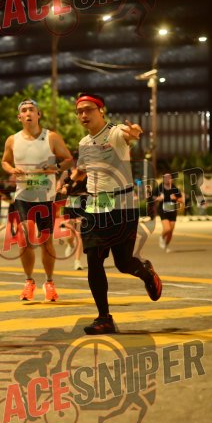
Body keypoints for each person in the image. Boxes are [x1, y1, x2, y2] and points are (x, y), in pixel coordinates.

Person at [71, 93, 162, 335]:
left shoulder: (115, 132)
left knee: (123, 263)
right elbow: (82, 170)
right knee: (93, 259)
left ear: (101, 110)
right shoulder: (84, 142)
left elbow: (130, 134)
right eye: (79, 111)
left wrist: (134, 132)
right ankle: (104, 318)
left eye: (89, 110)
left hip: (122, 206)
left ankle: (146, 273)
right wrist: (72, 179)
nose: (83, 115)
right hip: (95, 206)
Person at [1, 98, 74, 302]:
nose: (28, 113)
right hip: (23, 195)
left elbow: (68, 160)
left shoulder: (51, 137)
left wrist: (55, 168)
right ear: (19, 117)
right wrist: (11, 169)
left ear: (38, 114)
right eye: (24, 110)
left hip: (46, 197)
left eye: (31, 109)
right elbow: (4, 161)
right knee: (25, 237)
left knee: (46, 241)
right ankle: (28, 281)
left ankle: (49, 282)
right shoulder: (12, 140)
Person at [57, 166, 86, 270]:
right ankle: (70, 244)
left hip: (85, 201)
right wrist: (64, 189)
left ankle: (77, 261)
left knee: (80, 233)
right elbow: (58, 188)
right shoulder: (67, 172)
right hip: (72, 202)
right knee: (70, 236)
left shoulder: (88, 170)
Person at [153, 173, 183, 253]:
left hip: (172, 210)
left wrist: (175, 198)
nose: (167, 179)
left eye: (169, 178)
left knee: (171, 232)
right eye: (166, 178)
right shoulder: (159, 188)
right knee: (167, 229)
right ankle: (161, 237)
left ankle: (166, 246)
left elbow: (181, 200)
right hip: (163, 210)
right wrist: (158, 198)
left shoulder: (175, 188)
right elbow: (153, 198)